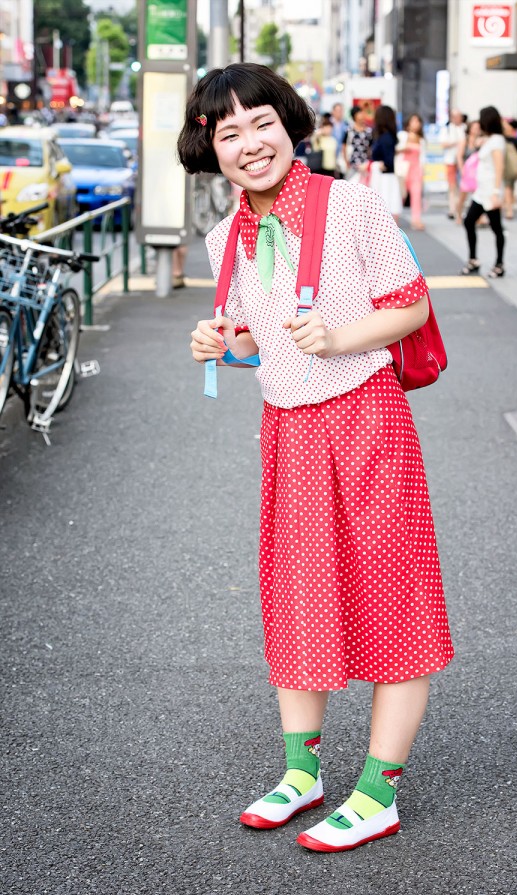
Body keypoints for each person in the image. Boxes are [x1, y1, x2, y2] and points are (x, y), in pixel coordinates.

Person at [178, 62, 454, 854]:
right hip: (289, 428)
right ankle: (303, 773)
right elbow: (251, 339)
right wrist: (218, 342)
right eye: (228, 132)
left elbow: (411, 305)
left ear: (289, 123)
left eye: (261, 122)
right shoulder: (221, 235)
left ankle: (378, 791)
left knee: (392, 596)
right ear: (211, 149)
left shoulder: (353, 205)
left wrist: (338, 337)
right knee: (298, 593)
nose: (249, 143)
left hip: (369, 417)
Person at [461, 105, 506, 279]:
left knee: (497, 228)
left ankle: (499, 264)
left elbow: (499, 167)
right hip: (481, 191)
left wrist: (495, 192)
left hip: (490, 192)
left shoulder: (497, 141)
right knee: (468, 221)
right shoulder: (489, 139)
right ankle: (473, 259)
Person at [369, 105, 402, 223]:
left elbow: (388, 162)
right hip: (384, 177)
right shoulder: (385, 136)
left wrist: (378, 164)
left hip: (384, 178)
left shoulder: (385, 137)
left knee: (385, 209)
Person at [396, 114, 426, 231]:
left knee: (416, 195)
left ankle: (416, 220)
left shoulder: (421, 140)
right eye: (413, 121)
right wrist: (406, 146)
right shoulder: (402, 135)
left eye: (418, 121)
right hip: (403, 168)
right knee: (400, 195)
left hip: (416, 169)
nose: (415, 124)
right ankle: (393, 219)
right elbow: (397, 149)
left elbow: (423, 157)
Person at [455, 119, 481, 224]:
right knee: (462, 196)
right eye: (474, 128)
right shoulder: (464, 141)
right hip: (466, 172)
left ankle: (477, 217)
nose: (476, 130)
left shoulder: (481, 141)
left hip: (477, 173)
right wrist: (462, 170)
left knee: (477, 197)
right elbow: (459, 156)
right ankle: (459, 215)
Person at [440, 108, 465, 220]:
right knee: (452, 186)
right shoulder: (447, 129)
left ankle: (459, 209)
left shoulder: (464, 128)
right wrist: (456, 143)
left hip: (463, 162)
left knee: (462, 187)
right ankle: (452, 209)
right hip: (451, 161)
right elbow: (443, 144)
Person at [343, 105, 372, 182]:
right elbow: (344, 146)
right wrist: (346, 163)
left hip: (365, 163)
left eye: (362, 114)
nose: (362, 116)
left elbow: (370, 147)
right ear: (354, 116)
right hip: (352, 163)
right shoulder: (349, 130)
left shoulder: (368, 131)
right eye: (359, 114)